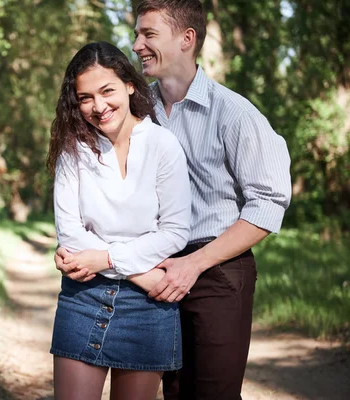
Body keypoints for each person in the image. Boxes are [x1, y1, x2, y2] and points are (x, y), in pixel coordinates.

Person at [54, 1, 293, 399]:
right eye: (136, 34)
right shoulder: (137, 108)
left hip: (215, 268)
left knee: (213, 392)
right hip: (153, 270)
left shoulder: (234, 114)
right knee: (175, 393)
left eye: (148, 34)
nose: (137, 45)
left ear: (187, 39)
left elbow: (268, 204)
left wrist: (194, 263)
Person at [47, 41, 192, 400]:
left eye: (107, 90)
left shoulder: (163, 145)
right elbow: (70, 234)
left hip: (148, 309)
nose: (98, 107)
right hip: (87, 295)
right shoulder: (73, 150)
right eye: (85, 97)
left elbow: (175, 232)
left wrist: (106, 259)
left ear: (129, 83)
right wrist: (140, 273)